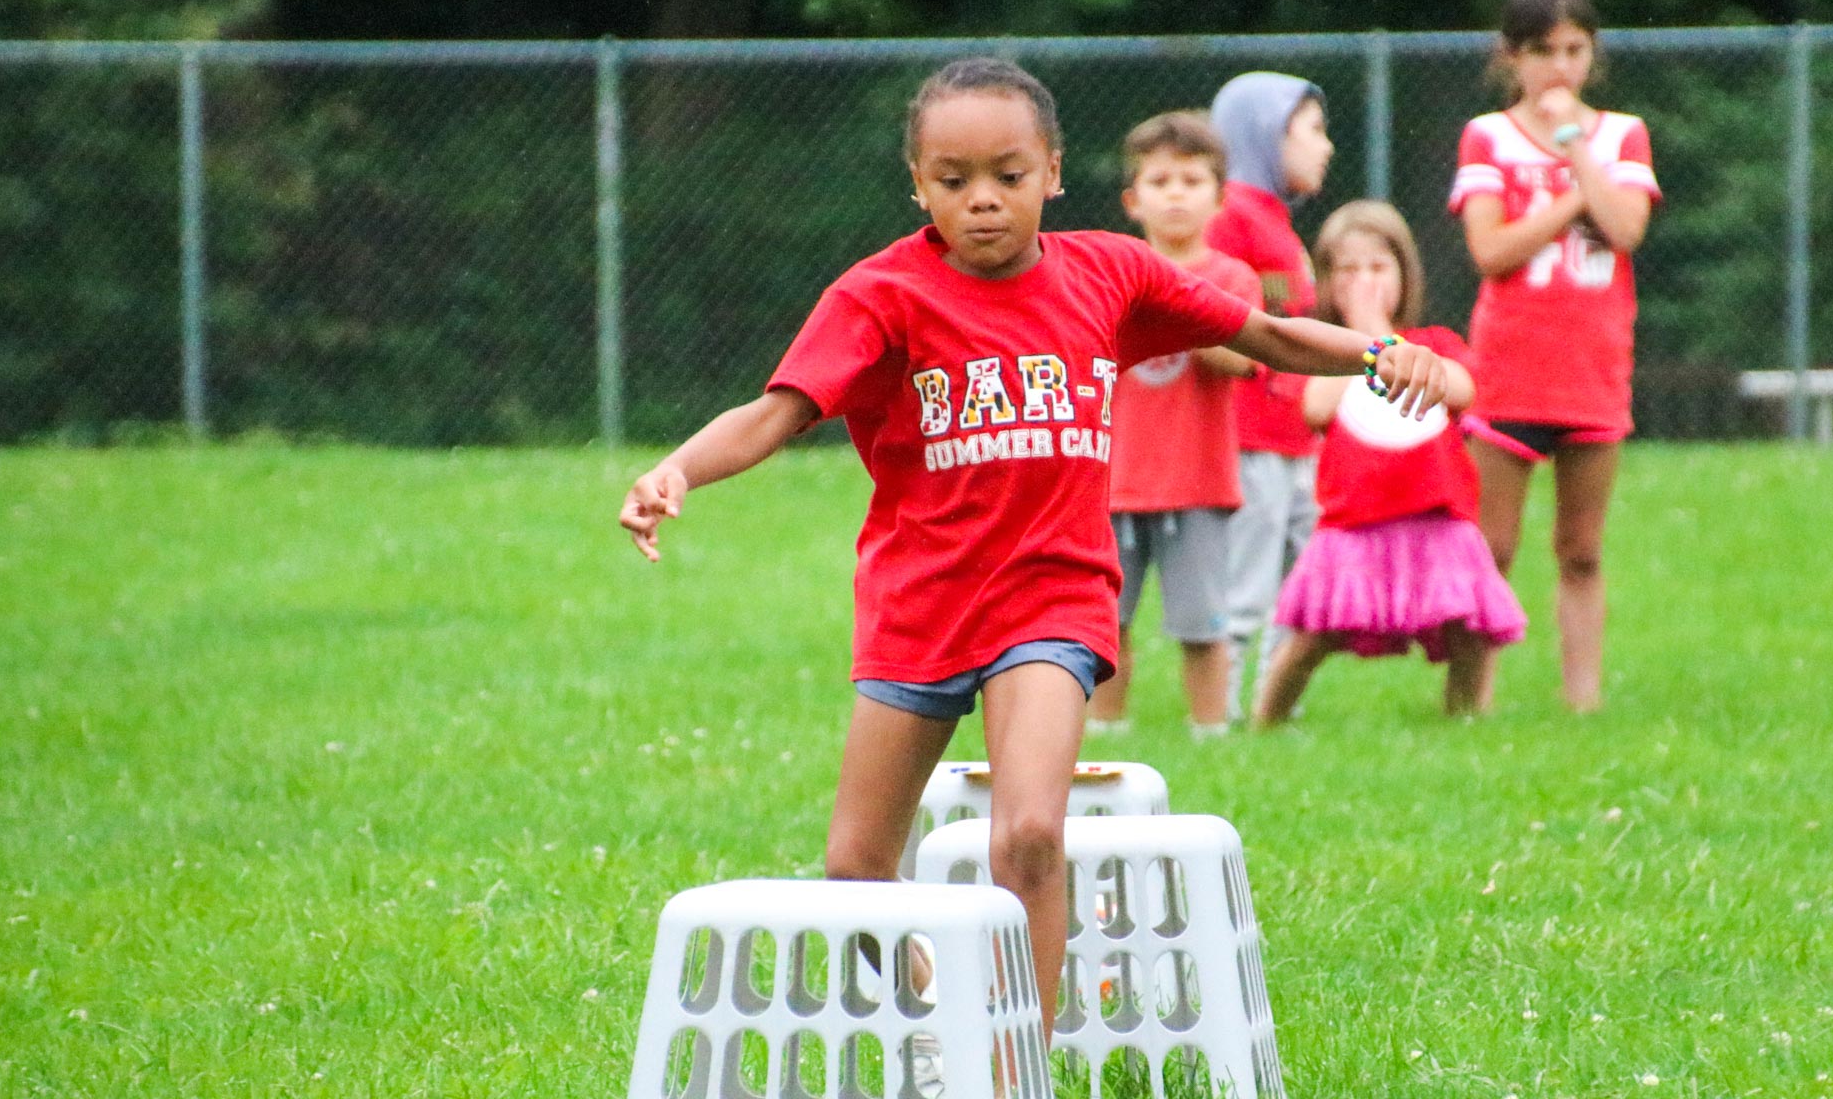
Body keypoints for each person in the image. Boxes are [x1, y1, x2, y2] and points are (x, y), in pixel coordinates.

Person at [617, 58, 1455, 1043]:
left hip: (1052, 602)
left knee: (1026, 833)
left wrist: (1376, 351)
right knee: (853, 872)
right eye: (953, 177)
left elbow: (1264, 334)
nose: (981, 200)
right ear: (917, 181)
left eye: (1007, 176)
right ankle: (949, 1015)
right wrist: (676, 470)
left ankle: (1021, 1059)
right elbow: (776, 411)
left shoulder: (1111, 273)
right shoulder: (880, 294)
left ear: (1052, 172)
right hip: (919, 604)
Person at [1450, 0, 1660, 712]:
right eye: (1543, 51)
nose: (1560, 68)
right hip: (1509, 367)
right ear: (1513, 56)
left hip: (1593, 367)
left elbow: (1627, 228)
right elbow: (1491, 248)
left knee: (1581, 549)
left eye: (1574, 50)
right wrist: (1574, 198)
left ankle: (1583, 702)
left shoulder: (1621, 135)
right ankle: (1473, 700)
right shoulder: (1489, 136)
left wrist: (1576, 150)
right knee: (1492, 548)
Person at [1256, 200, 1525, 724]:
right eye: (1348, 271)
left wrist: (1383, 333)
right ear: (1327, 282)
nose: (1364, 282)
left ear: (1406, 275)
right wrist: (1365, 342)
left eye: (1378, 268)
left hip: (1437, 520)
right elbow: (1316, 406)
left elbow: (1463, 389)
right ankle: (1265, 724)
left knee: (1468, 631)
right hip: (1353, 524)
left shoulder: (1432, 345)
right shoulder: (1320, 354)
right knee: (1314, 637)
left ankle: (1466, 721)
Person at [1086, 111, 1263, 741]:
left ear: (1219, 198)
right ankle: (1105, 733)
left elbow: (1243, 357)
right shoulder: (1111, 273)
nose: (1177, 193)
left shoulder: (1232, 279)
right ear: (1134, 201)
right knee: (1104, 622)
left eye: (1192, 180)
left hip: (1199, 482)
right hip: (1111, 484)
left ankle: (1211, 731)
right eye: (1161, 181)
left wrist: (1176, 307)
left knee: (1202, 624)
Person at [1207, 70, 1336, 723]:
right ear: (1262, 133)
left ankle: (1269, 714)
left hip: (1295, 439)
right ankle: (1222, 719)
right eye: (1311, 130)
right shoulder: (1229, 216)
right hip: (1251, 438)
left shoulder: (1276, 222)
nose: (1326, 146)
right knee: (1246, 589)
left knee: (1301, 587)